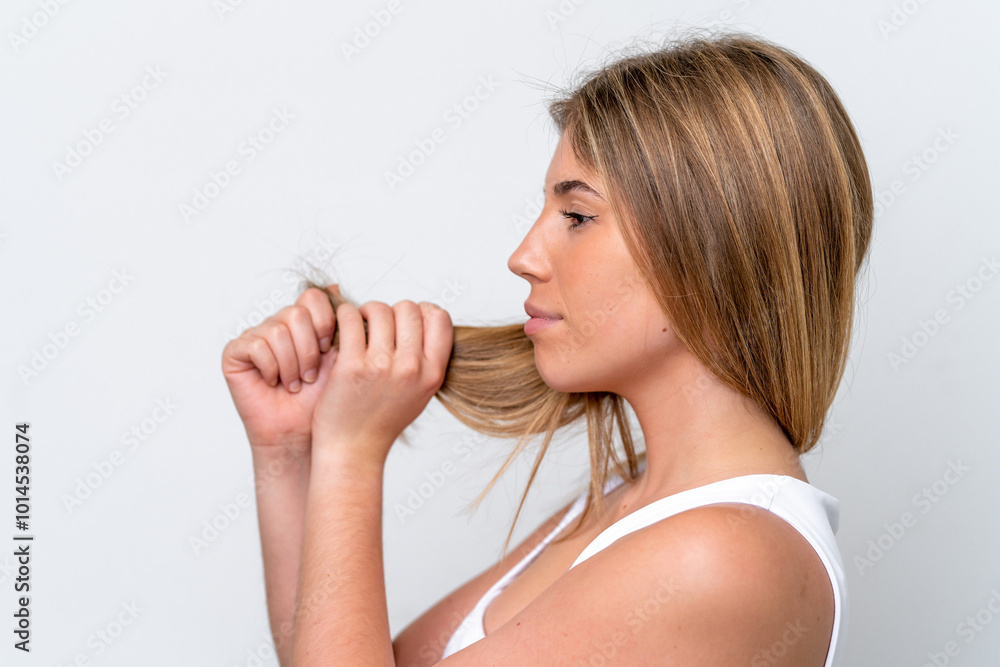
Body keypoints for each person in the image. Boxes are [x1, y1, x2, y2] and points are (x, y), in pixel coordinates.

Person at [222, 29, 872, 666]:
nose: (523, 257)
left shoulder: (722, 555)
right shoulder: (625, 501)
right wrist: (289, 448)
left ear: (713, 246)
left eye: (578, 216)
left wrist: (352, 453)